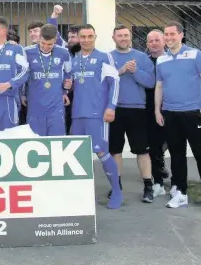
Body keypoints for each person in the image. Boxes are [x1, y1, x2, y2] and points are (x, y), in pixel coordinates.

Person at [70, 24, 123, 209]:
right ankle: (86, 193)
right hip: (78, 114)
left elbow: (114, 82)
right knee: (80, 156)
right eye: (82, 36)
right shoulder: (74, 59)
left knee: (102, 152)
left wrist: (111, 107)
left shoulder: (104, 56)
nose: (86, 40)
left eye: (89, 36)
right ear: (78, 38)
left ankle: (116, 192)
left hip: (97, 114)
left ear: (95, 37)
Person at [155, 21, 201, 208]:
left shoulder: (195, 54)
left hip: (193, 113)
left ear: (181, 35)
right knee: (176, 155)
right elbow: (159, 86)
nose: (168, 38)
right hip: (170, 113)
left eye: (172, 34)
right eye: (166, 34)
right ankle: (181, 193)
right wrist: (157, 110)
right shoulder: (161, 60)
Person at [109, 25, 155, 203]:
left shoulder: (142, 57)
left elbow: (151, 83)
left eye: (126, 35)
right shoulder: (109, 57)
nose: (123, 38)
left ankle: (148, 187)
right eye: (119, 35)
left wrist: (135, 71)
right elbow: (103, 82)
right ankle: (116, 186)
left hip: (137, 109)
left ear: (130, 37)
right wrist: (120, 71)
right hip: (115, 109)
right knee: (115, 151)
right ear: (113, 38)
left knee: (142, 150)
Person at [24, 24, 71, 136]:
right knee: (35, 142)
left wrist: (65, 90)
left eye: (50, 44)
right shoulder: (27, 52)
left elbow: (68, 73)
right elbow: (22, 75)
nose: (45, 47)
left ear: (55, 40)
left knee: (57, 142)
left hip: (56, 106)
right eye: (43, 43)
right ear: (39, 38)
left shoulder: (63, 52)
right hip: (35, 105)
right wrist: (22, 94)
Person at [145, 29, 169, 196]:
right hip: (149, 110)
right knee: (154, 145)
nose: (154, 43)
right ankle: (158, 181)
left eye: (157, 40)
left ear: (164, 41)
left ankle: (177, 185)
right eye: (151, 41)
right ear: (147, 44)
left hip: (171, 108)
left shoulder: (171, 60)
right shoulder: (144, 62)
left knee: (173, 145)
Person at [65, 25, 80, 133]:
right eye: (69, 37)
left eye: (73, 37)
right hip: (67, 95)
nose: (70, 40)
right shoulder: (65, 53)